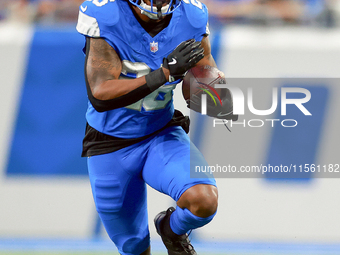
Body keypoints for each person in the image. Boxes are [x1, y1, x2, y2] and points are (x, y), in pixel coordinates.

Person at [76, 0, 233, 254]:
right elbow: (100, 93)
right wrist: (164, 74)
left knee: (203, 201)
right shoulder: (106, 14)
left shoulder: (191, 16)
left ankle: (171, 230)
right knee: (134, 246)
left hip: (160, 132)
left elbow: (200, 78)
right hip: (110, 142)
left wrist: (210, 87)